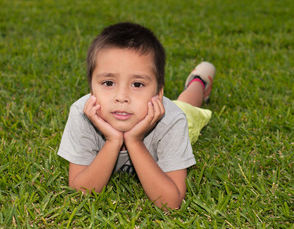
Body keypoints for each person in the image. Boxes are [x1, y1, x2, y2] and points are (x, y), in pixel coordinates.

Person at [58, 22, 215, 209]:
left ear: (158, 93)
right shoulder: (82, 114)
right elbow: (80, 191)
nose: (122, 97)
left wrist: (134, 141)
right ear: (91, 90)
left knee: (186, 105)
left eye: (137, 84)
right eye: (108, 83)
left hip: (166, 115)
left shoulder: (171, 121)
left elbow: (171, 203)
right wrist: (113, 141)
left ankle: (198, 81)